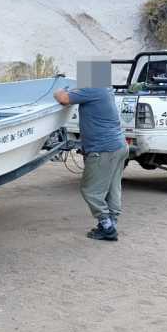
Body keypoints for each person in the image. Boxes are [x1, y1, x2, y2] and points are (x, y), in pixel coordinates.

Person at [54, 85, 128, 241]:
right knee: (112, 188)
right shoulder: (105, 88)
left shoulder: (92, 89)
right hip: (119, 146)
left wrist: (57, 88)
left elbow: (63, 98)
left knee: (90, 190)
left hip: (104, 149)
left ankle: (107, 227)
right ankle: (111, 223)